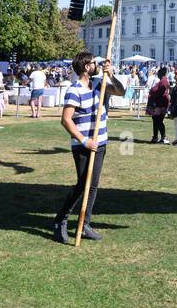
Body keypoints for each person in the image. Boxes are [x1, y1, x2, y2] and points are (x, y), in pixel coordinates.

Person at [53, 53, 125, 244]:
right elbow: (66, 120)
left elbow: (121, 92)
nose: (97, 65)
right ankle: (60, 221)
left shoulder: (99, 85)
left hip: (100, 142)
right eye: (94, 63)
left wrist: (111, 75)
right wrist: (84, 141)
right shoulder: (74, 90)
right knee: (81, 185)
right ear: (86, 67)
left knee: (92, 186)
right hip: (83, 145)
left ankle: (84, 224)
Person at [147, 66, 170, 144]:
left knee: (159, 121)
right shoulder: (162, 81)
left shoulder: (164, 81)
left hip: (160, 104)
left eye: (158, 73)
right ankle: (155, 137)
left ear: (161, 74)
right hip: (157, 103)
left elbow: (160, 92)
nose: (157, 75)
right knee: (155, 121)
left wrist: (153, 95)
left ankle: (164, 137)